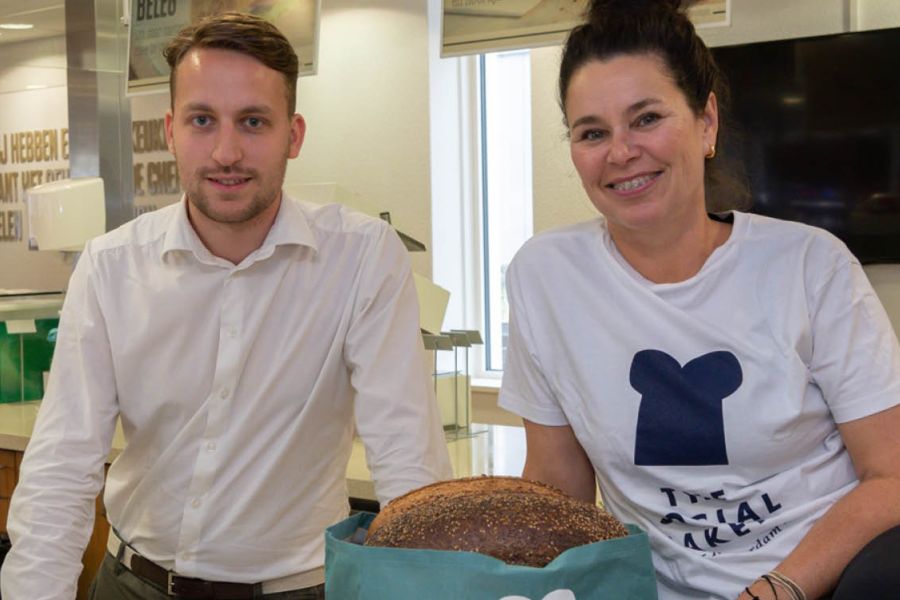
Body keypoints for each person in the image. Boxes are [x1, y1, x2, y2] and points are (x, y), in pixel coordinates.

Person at [1, 11, 452, 600]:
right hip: (132, 582)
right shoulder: (112, 266)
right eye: (202, 120)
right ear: (171, 130)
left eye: (253, 122)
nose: (226, 151)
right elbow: (62, 464)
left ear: (294, 134)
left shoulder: (363, 259)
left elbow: (408, 460)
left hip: (299, 589)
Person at [497, 1, 900, 599]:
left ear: (705, 122)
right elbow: (559, 492)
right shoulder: (545, 276)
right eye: (592, 132)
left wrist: (776, 589)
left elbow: (891, 476)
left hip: (823, 584)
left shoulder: (810, 265)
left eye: (646, 118)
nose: (621, 152)